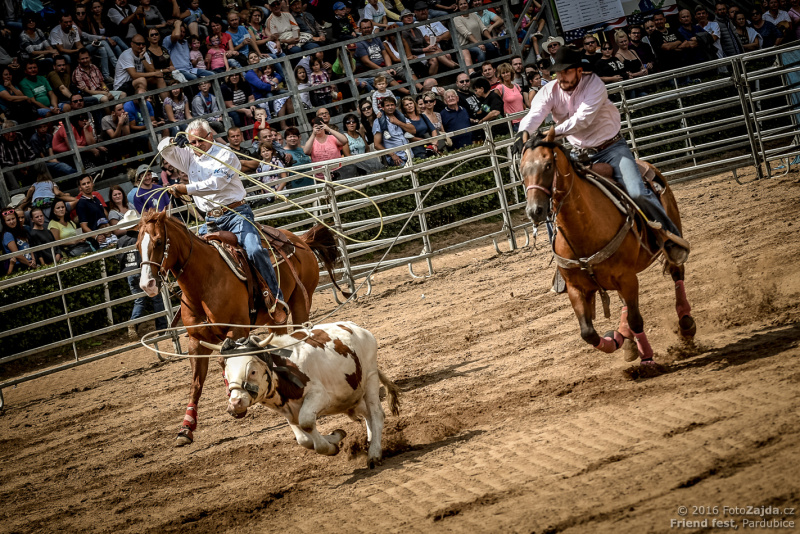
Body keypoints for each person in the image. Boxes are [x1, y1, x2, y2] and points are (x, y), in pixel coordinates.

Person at [514, 46, 689, 265]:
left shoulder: (594, 84)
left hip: (612, 149)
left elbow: (582, 120)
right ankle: (562, 260)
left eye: (566, 71)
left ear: (579, 71)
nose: (561, 77)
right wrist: (523, 134)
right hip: (578, 153)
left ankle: (669, 238)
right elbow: (535, 113)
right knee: (554, 197)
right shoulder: (549, 90)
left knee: (636, 191)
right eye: (558, 72)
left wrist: (549, 133)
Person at [158, 118, 287, 319]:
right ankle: (195, 307)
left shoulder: (226, 155)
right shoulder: (189, 155)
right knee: (191, 258)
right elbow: (163, 149)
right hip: (209, 219)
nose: (198, 146)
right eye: (193, 142)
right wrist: (174, 142)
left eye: (201, 140)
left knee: (253, 249)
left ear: (211, 136)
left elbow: (216, 184)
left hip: (236, 215)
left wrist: (186, 189)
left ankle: (275, 298)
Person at [116, 210, 168, 339]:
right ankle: (162, 328)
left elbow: (118, 257)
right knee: (157, 298)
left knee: (139, 300)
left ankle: (134, 322)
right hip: (144, 271)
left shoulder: (121, 240)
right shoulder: (142, 236)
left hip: (129, 272)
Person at [453, 0, 498, 71]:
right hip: (467, 46)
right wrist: (478, 44)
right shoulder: (456, 19)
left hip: (479, 43)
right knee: (480, 51)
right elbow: (467, 34)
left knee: (492, 46)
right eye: (461, 4)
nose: (463, 5)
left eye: (465, 3)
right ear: (458, 7)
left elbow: (483, 28)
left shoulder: (473, 15)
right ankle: (482, 71)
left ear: (468, 4)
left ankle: (495, 68)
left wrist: (491, 39)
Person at [372, 96, 415, 166]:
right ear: (383, 108)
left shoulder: (400, 117)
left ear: (395, 106)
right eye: (387, 105)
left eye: (392, 105)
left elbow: (413, 130)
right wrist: (392, 155)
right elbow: (377, 145)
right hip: (396, 158)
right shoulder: (378, 122)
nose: (390, 107)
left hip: (409, 154)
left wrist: (397, 122)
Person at [614, 30, 648, 99]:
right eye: (621, 42)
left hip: (642, 83)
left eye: (625, 41)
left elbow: (641, 65)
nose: (624, 43)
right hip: (630, 88)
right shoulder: (618, 56)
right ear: (617, 43)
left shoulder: (633, 51)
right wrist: (639, 73)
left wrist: (644, 70)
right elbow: (625, 74)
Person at [2, 206, 35, 273]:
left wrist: (33, 259)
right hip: (20, 267)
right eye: (8, 220)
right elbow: (17, 254)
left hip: (30, 263)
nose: (12, 221)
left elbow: (29, 246)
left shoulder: (22, 230)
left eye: (13, 218)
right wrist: (30, 264)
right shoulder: (7, 235)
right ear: (4, 222)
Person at [494, 63, 525, 132]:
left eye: (507, 72)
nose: (506, 74)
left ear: (511, 73)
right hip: (513, 123)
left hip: (524, 119)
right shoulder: (499, 88)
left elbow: (521, 103)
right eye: (503, 73)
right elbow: (496, 105)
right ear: (500, 75)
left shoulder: (516, 86)